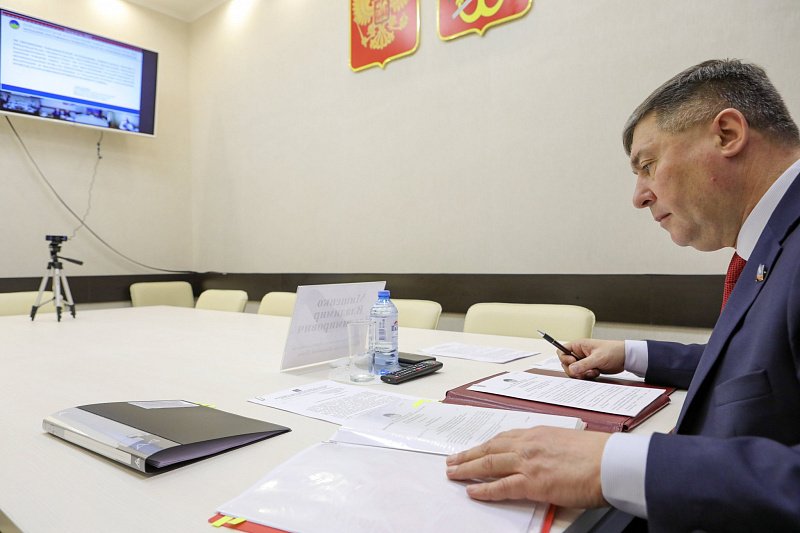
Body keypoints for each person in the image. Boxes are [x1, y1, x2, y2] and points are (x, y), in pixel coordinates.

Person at [445, 59, 800, 532]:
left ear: (727, 134)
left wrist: (613, 463)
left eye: (648, 166)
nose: (639, 196)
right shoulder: (774, 243)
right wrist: (630, 353)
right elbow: (758, 362)